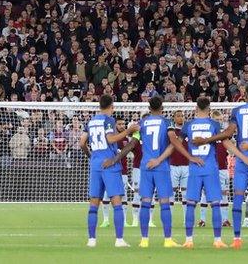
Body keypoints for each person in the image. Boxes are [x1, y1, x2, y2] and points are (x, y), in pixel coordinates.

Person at [191, 83, 248, 249]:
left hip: (241, 159)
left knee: (237, 197)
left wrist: (206, 139)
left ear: (244, 95)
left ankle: (237, 239)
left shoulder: (237, 111)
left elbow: (228, 134)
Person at [135, 96, 198, 248]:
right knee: (164, 202)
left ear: (149, 108)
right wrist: (160, 159)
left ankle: (144, 240)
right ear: (162, 108)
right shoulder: (167, 122)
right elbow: (173, 142)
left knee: (145, 202)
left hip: (145, 166)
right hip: (161, 167)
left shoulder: (141, 123)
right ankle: (168, 239)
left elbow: (133, 142)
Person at [79, 94, 130, 247]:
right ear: (112, 106)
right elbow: (111, 139)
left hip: (95, 164)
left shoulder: (92, 121)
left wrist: (91, 157)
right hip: (109, 163)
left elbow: (82, 142)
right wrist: (129, 131)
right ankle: (119, 240)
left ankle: (91, 240)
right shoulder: (109, 120)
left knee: (94, 203)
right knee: (116, 202)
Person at [178, 97, 227, 248]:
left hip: (194, 168)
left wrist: (190, 157)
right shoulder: (214, 124)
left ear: (195, 109)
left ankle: (188, 240)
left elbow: (177, 144)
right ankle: (217, 240)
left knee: (191, 203)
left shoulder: (188, 125)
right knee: (216, 204)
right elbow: (225, 141)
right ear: (209, 109)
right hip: (211, 168)